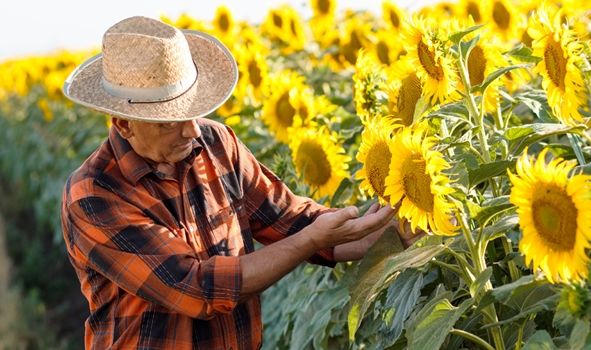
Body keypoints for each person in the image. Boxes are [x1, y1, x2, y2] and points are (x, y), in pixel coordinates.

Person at [60, 16, 397, 349]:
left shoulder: (216, 143)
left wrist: (396, 230)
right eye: (169, 122)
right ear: (124, 124)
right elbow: (198, 289)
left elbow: (298, 223)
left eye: (191, 110)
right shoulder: (94, 195)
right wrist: (311, 239)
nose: (192, 131)